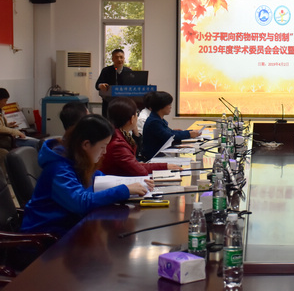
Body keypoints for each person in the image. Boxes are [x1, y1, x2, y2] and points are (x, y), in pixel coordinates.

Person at [20, 115, 151, 236]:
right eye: (103, 147)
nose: (105, 152)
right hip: (47, 237)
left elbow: (98, 178)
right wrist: (124, 190)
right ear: (86, 144)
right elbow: (80, 202)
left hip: (70, 228)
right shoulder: (58, 168)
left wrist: (135, 183)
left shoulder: (76, 157)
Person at [101, 97, 181, 176]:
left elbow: (135, 164)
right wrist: (164, 167)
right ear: (132, 119)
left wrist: (165, 166)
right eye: (136, 114)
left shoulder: (118, 134)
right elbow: (139, 170)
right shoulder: (118, 143)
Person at [142, 91, 200, 159]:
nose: (170, 107)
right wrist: (189, 134)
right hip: (155, 157)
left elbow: (170, 132)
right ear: (161, 105)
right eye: (169, 104)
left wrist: (189, 132)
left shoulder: (157, 119)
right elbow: (169, 136)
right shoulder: (154, 121)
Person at [95, 49, 133, 117]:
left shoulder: (129, 71)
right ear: (112, 59)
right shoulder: (106, 70)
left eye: (121, 57)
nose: (119, 59)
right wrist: (101, 86)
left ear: (124, 58)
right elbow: (97, 85)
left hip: (124, 104)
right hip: (109, 104)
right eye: (116, 57)